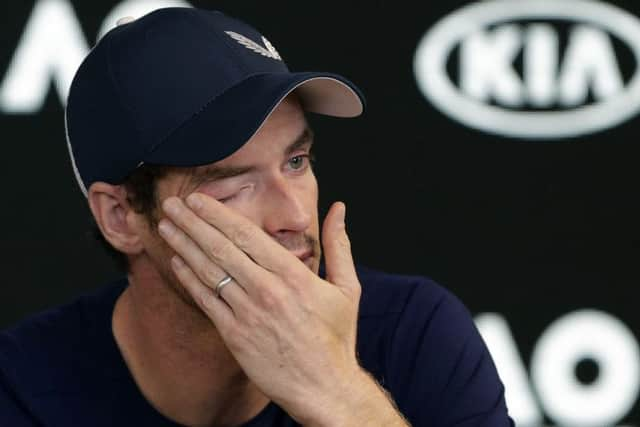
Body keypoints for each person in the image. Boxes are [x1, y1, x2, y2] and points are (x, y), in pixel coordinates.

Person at [0, 7, 513, 427]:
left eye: (296, 162)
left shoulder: (413, 333)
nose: (293, 215)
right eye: (232, 185)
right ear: (121, 216)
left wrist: (339, 394)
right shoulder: (24, 387)